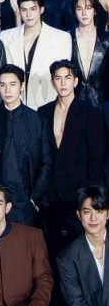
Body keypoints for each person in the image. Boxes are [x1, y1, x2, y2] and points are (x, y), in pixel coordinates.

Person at [38, 60, 105, 257]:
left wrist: (89, 198)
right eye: (58, 78)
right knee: (52, 253)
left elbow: (96, 159)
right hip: (50, 198)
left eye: (67, 78)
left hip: (78, 197)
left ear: (75, 81)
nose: (63, 83)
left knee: (79, 253)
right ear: (52, 82)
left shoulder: (90, 113)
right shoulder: (43, 112)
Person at [0, 64, 53, 225]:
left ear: (22, 86)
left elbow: (47, 163)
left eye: (13, 84)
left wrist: (34, 199)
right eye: (3, 85)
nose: (7, 90)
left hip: (25, 199)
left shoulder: (37, 120)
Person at [57, 185, 109, 306]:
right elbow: (76, 304)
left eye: (99, 211)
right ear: (79, 215)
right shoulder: (67, 257)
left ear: (107, 214)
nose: (93, 218)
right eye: (87, 212)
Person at [0, 0, 72, 110]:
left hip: (46, 104)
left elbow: (62, 76)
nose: (28, 14)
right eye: (24, 10)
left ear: (41, 9)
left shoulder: (61, 38)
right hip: (15, 106)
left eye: (33, 9)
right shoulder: (6, 37)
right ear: (19, 11)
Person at [71, 0, 109, 108]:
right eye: (79, 9)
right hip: (74, 104)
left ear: (95, 10)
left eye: (88, 8)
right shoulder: (67, 38)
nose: (84, 13)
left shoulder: (106, 39)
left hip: (102, 103)